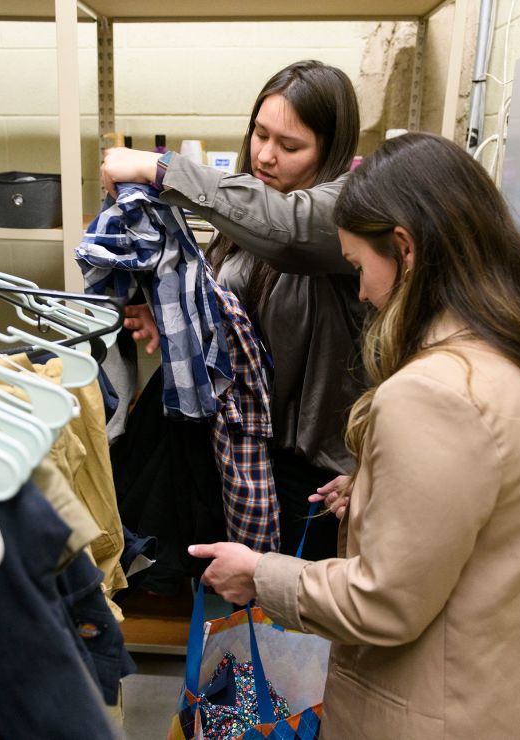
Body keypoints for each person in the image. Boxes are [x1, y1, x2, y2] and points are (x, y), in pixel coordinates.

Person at [189, 133, 520, 738]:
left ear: (407, 250)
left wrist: (260, 575)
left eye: (360, 267)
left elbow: (382, 602)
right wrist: (374, 488)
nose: (360, 291)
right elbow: (478, 512)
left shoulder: (433, 392)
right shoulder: (515, 357)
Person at [101, 59, 365, 561]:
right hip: (243, 454)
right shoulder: (247, 205)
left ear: (331, 151)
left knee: (290, 625)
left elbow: (287, 233)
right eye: (260, 134)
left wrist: (160, 169)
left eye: (290, 146)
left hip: (314, 478)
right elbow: (243, 323)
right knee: (235, 612)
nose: (265, 155)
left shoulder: (348, 209)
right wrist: (181, 324)